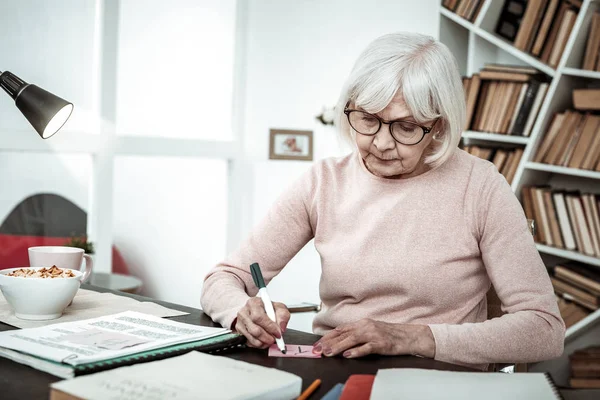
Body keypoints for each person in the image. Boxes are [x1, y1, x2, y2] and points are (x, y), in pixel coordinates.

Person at [200, 32, 565, 370]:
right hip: (337, 367)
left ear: (439, 126)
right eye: (367, 119)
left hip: (440, 377)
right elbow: (225, 277)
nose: (381, 143)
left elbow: (544, 328)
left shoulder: (481, 186)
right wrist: (239, 312)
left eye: (406, 127)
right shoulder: (324, 181)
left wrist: (410, 336)